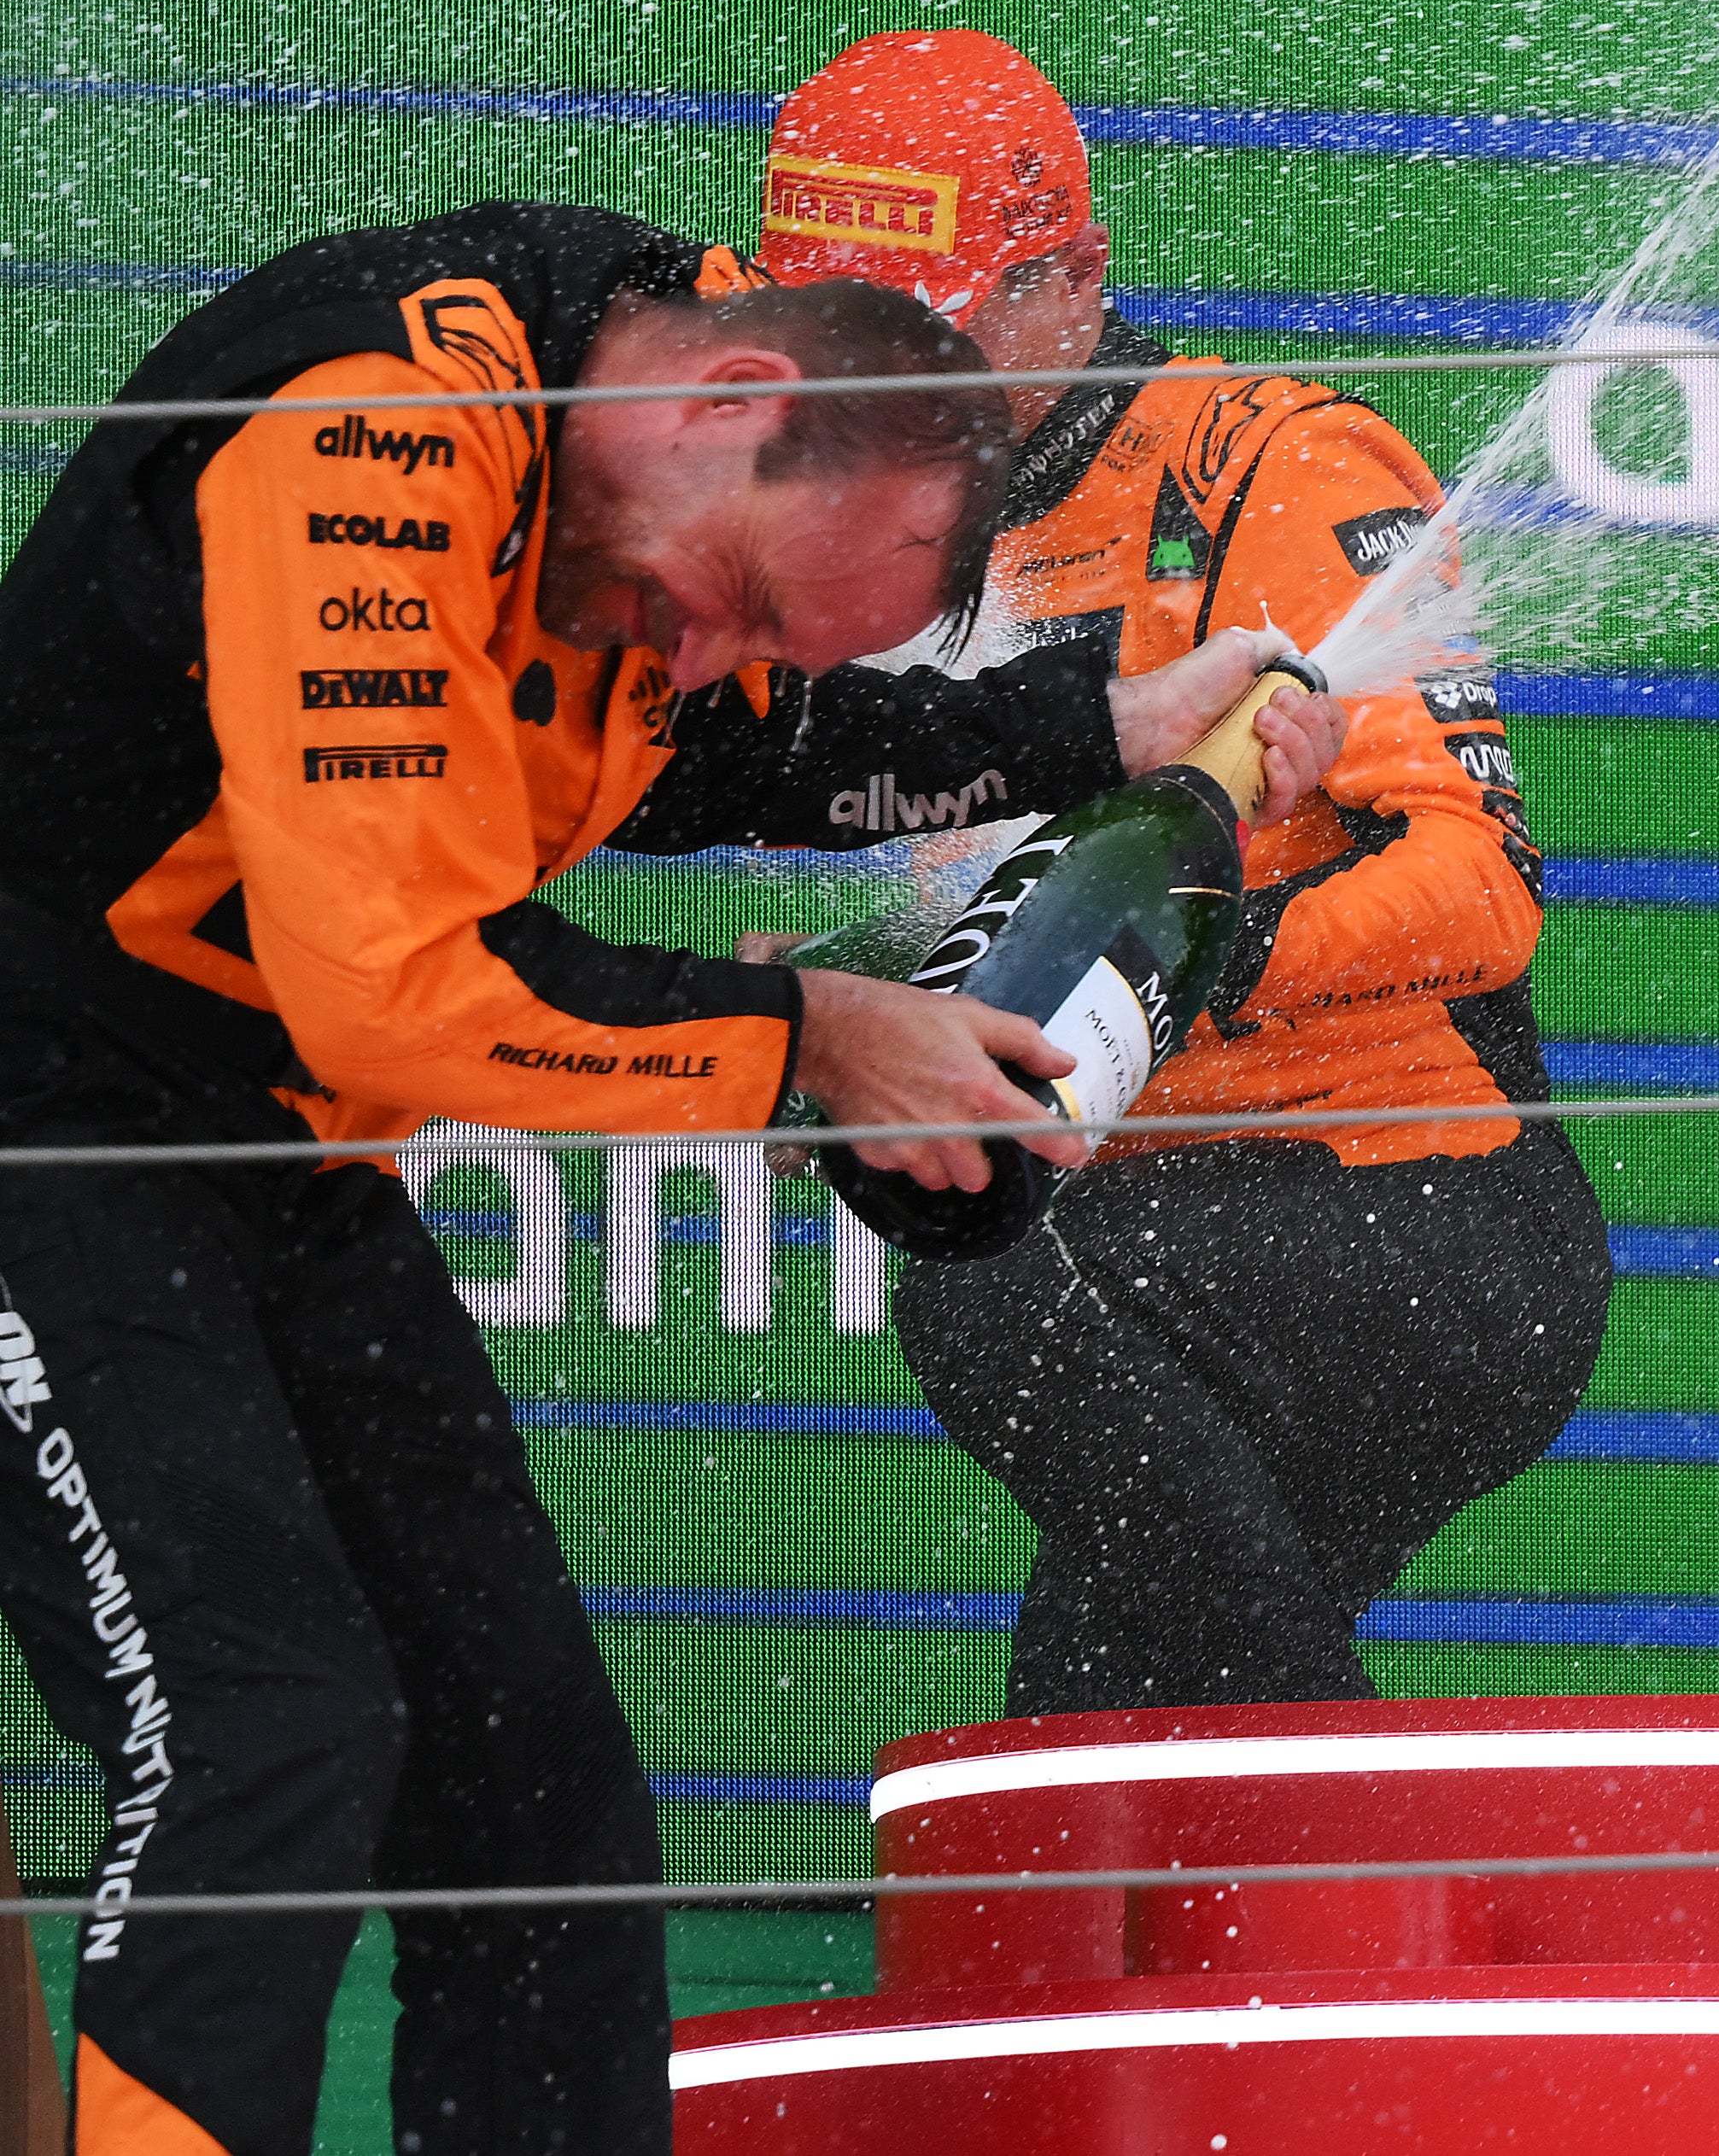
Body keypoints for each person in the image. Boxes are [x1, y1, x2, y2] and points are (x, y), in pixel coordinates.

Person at [0, 203, 1311, 2155]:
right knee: (266, 1731)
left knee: (542, 1810)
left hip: (266, 1148)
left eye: (762, 643)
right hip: (43, 1122)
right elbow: (392, 984)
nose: (707, 663)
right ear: (735, 396)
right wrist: (807, 1042)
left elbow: (757, 746)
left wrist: (1100, 721)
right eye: (728, 605)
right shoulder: (374, 419)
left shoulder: (672, 467)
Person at [744, 30, 1606, 1718]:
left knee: (982, 1283)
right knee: (1087, 1740)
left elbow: (1480, 884)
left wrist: (1197, 951)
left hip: (1424, 1220)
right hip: (1176, 1234)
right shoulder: (897, 547)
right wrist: (856, 982)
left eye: (937, 333)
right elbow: (1016, 902)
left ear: (1077, 276)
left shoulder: (1268, 459)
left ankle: (1343, 1859)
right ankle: (1318, 1909)